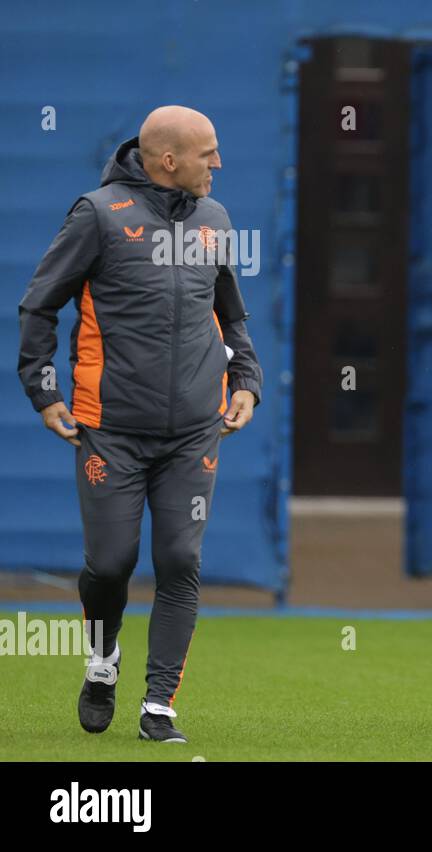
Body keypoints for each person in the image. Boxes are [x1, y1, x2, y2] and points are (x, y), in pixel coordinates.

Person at [17, 106, 262, 743]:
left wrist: (246, 381)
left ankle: (159, 705)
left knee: (180, 559)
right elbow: (39, 305)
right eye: (208, 153)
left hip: (195, 431)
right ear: (168, 161)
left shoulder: (215, 220)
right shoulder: (97, 215)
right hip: (111, 430)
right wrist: (43, 391)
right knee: (110, 565)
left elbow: (230, 315)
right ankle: (103, 660)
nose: (218, 163)